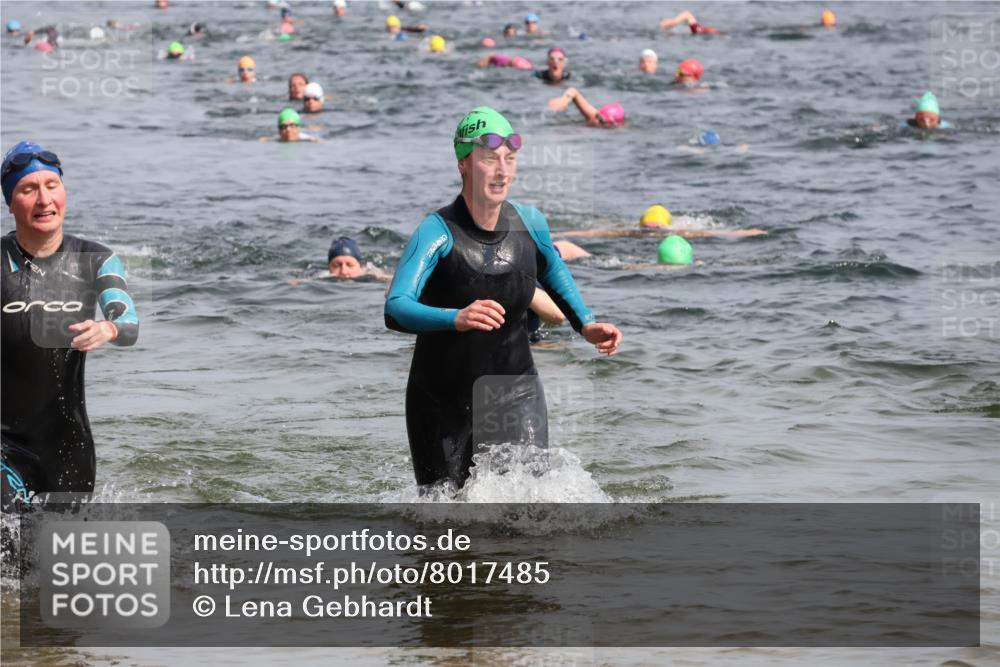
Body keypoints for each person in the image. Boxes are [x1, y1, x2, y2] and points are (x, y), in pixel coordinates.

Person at [384, 107, 622, 489]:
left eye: (509, 159)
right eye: (489, 158)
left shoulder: (530, 222)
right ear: (463, 164)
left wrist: (585, 323)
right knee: (445, 532)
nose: (502, 170)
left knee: (528, 510)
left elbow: (552, 268)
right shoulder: (436, 232)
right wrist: (455, 318)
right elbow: (395, 307)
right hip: (441, 402)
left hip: (516, 393)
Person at [1, 142, 139, 508]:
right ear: (10, 202)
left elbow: (128, 323)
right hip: (3, 444)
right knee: (12, 539)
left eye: (52, 185)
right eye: (28, 189)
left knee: (53, 558)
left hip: (68, 449)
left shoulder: (95, 259)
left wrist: (108, 329)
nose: (44, 199)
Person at [547, 87, 624, 127]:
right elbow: (574, 91)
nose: (596, 119)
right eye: (598, 116)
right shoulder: (593, 116)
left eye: (601, 120)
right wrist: (564, 99)